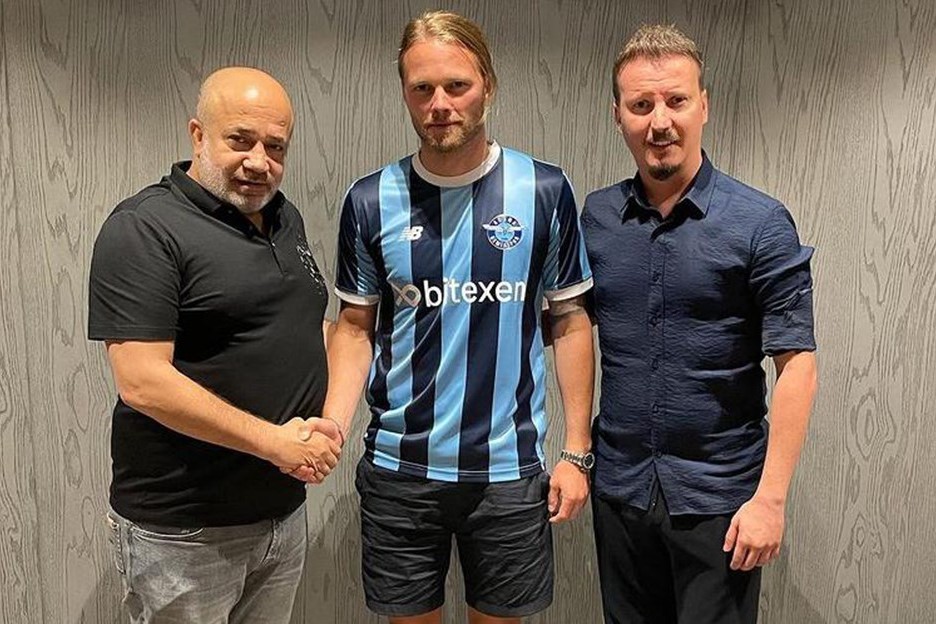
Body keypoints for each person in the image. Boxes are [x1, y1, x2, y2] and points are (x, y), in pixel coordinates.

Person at [320, 11, 594, 624]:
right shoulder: (370, 199)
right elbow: (355, 328)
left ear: (487, 86)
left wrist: (576, 452)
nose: (439, 104)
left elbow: (570, 320)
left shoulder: (544, 189)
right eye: (422, 88)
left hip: (508, 473)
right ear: (405, 93)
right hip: (399, 471)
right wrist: (332, 426)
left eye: (456, 85)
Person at [581, 24, 819, 624]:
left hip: (722, 503)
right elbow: (568, 335)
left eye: (676, 100)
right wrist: (575, 453)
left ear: (703, 106)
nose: (660, 121)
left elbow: (797, 365)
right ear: (618, 116)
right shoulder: (596, 218)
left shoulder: (760, 223)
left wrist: (771, 500)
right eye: (641, 105)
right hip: (621, 493)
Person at [88, 66, 341, 623]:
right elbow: (143, 382)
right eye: (240, 140)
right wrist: (275, 443)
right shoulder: (145, 228)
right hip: (185, 532)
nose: (259, 162)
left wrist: (327, 419)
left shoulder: (284, 218)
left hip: (280, 516)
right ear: (198, 135)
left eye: (275, 146)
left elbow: (293, 327)